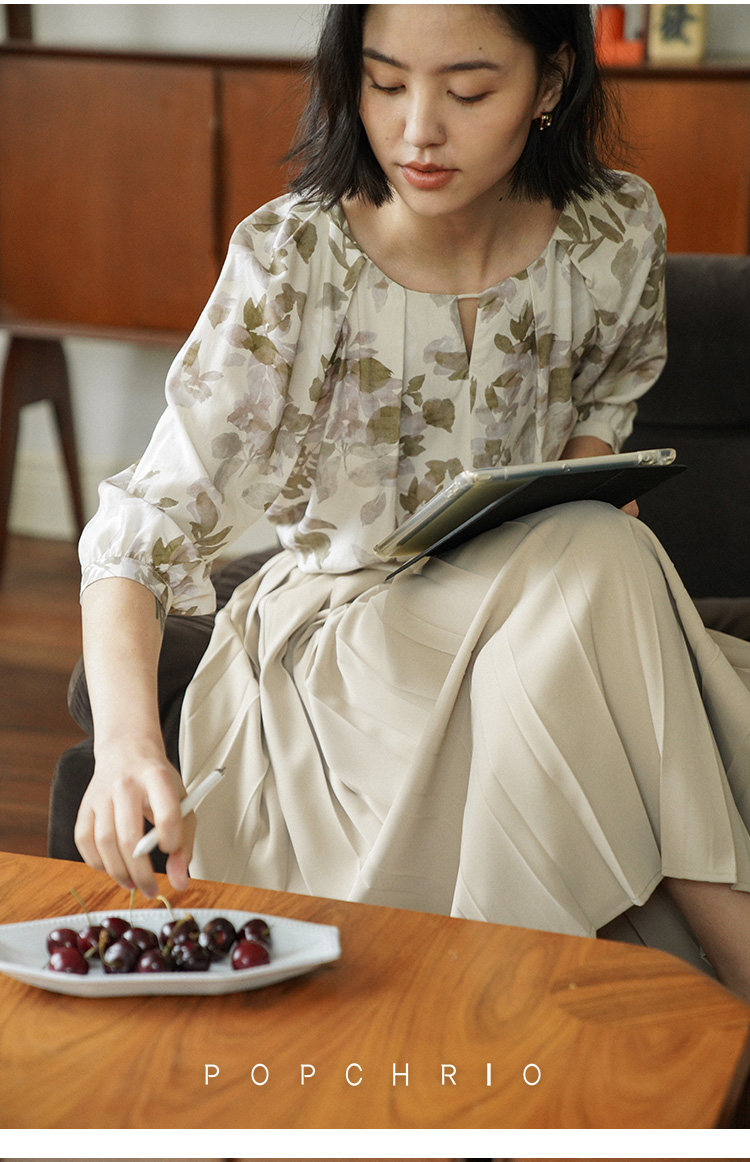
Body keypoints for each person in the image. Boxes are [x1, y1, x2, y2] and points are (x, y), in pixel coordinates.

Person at [74, 5, 750, 1000]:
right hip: (346, 653)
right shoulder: (295, 262)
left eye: (468, 91)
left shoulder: (613, 231)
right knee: (602, 557)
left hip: (548, 625)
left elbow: (610, 392)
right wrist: (127, 744)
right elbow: (139, 531)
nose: (417, 129)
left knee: (592, 555)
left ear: (551, 82)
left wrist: (585, 478)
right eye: (385, 83)